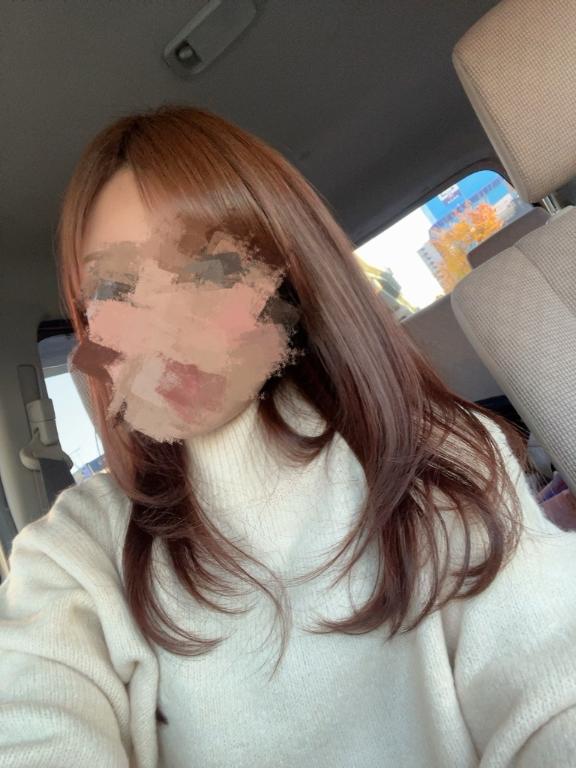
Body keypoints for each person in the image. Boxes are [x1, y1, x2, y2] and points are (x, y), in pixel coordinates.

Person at [0, 104, 575, 768]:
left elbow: (553, 685)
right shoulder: (75, 552)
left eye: (205, 270)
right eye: (116, 290)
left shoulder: (440, 456)